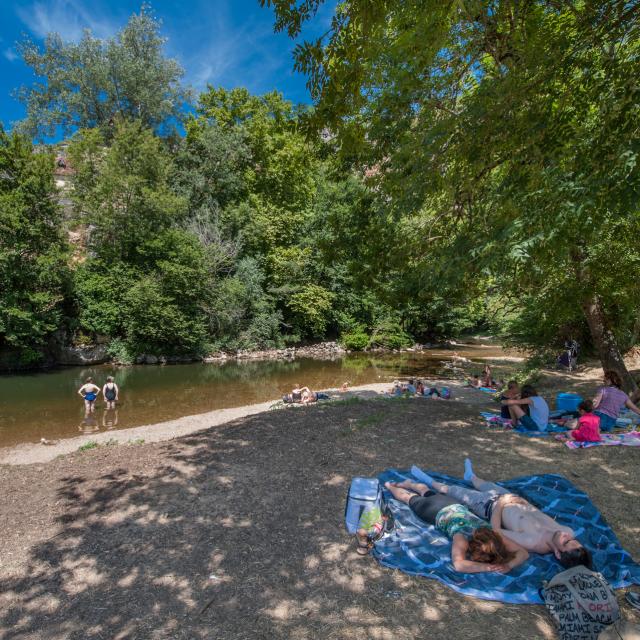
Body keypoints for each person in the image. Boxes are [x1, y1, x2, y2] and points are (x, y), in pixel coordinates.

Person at [412, 460, 592, 569]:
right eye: (572, 539)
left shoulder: (531, 541)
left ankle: (428, 481)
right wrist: (515, 500)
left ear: (558, 554)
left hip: (489, 505)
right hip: (512, 499)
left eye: (566, 542)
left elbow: (495, 530)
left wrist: (501, 503)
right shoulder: (566, 530)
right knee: (484, 483)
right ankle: (471, 476)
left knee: (453, 490)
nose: (567, 536)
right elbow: (535, 514)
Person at [384, 480, 528, 573]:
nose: (476, 558)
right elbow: (459, 565)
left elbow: (523, 552)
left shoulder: (495, 534)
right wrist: (488, 567)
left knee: (427, 492)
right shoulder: (462, 538)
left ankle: (409, 483)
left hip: (451, 504)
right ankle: (390, 486)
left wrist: (509, 565)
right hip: (434, 511)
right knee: (408, 498)